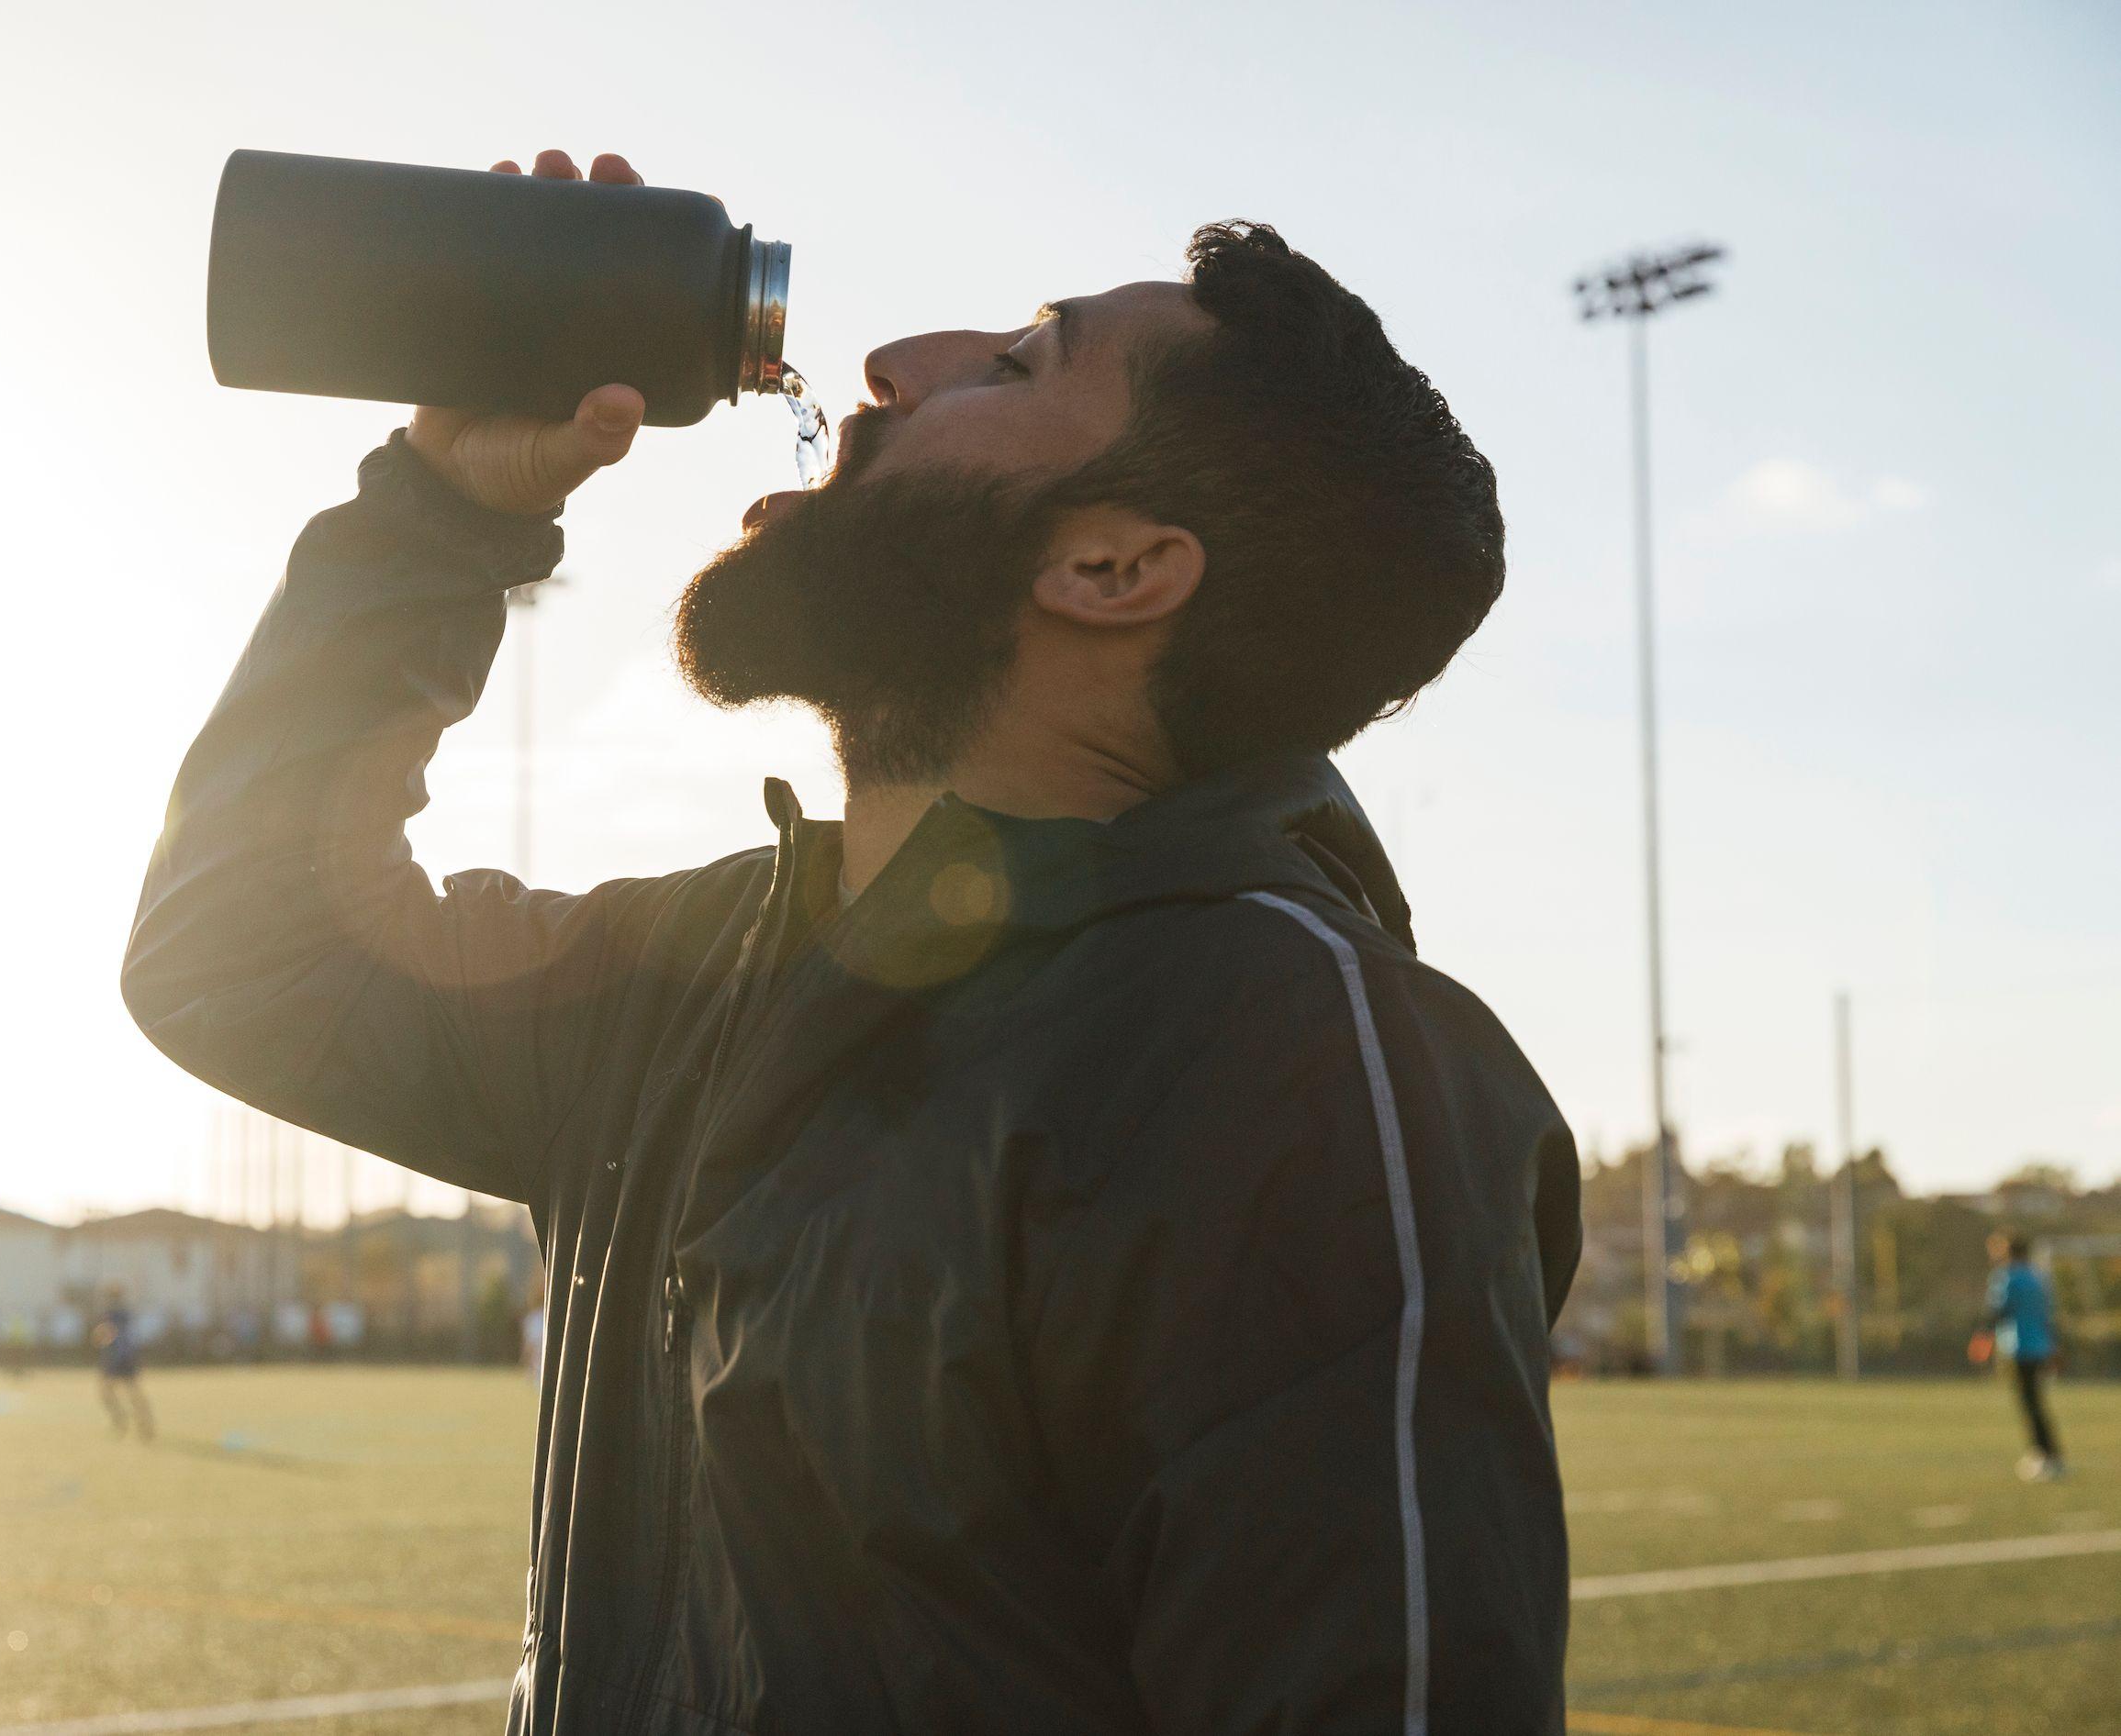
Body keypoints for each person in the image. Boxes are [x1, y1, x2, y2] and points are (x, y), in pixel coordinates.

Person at [125, 149, 1580, 1732]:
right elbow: (243, 951)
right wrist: (440, 513)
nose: (890, 365)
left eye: (1020, 360)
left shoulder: (1291, 1059)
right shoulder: (699, 981)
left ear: (1110, 568)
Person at [1980, 1231, 2064, 1480]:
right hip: (2041, 1347)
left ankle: (2044, 1455)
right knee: (2036, 1402)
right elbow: (2048, 1315)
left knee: (2029, 1404)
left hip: (2019, 1347)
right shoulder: (2038, 1276)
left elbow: (1998, 1309)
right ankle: (2049, 1453)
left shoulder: (2007, 1276)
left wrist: (1983, 1339)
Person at [92, 1285, 154, 1443]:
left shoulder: (110, 1314)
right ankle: (144, 1422)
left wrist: (99, 1336)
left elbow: (107, 1334)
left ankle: (120, 1419)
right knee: (133, 1392)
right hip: (130, 1357)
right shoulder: (127, 1313)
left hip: (116, 1358)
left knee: (106, 1391)